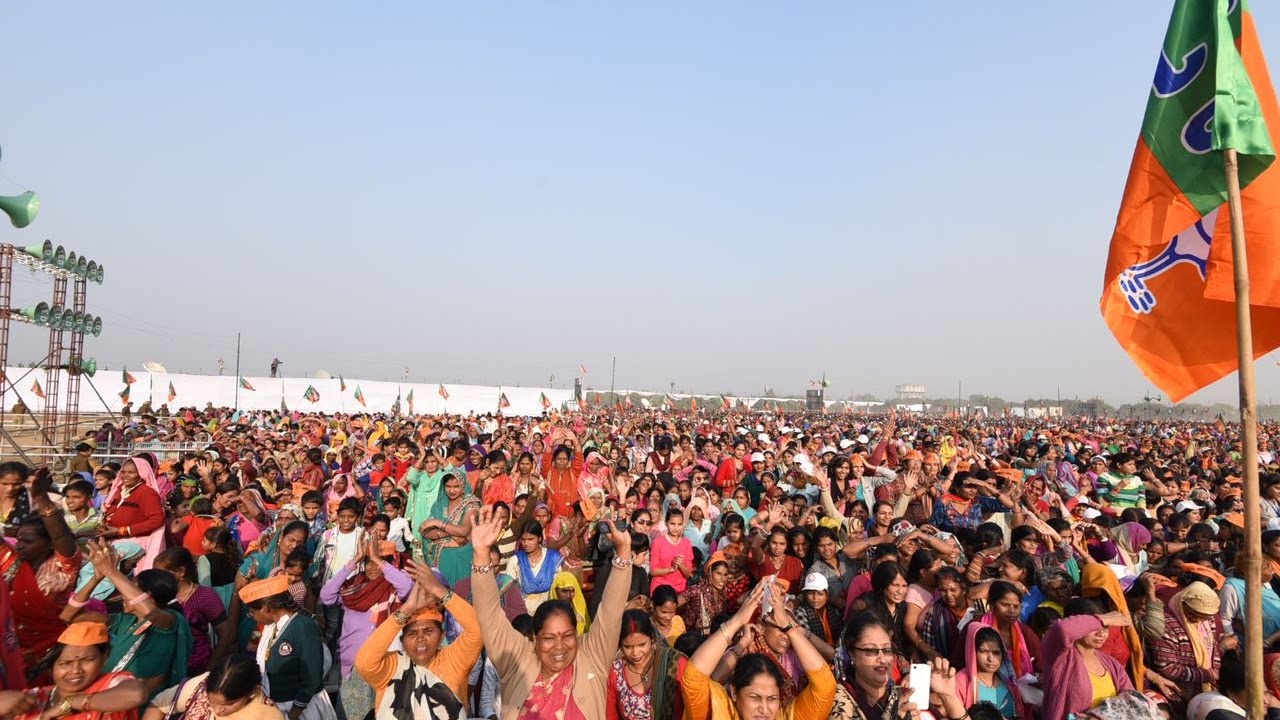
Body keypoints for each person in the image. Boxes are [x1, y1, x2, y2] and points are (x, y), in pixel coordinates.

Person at [470, 505, 632, 720]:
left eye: (567, 636)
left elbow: (611, 612)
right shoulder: (517, 662)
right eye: (548, 638)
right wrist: (481, 555)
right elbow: (489, 616)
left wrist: (623, 554)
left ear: (577, 635)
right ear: (535, 638)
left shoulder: (592, 659)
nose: (559, 646)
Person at [682, 578, 835, 720]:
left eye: (773, 698)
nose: (764, 709)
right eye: (755, 697)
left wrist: (790, 628)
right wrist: (738, 621)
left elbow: (825, 686)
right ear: (734, 692)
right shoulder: (721, 713)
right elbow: (695, 677)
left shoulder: (785, 716)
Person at [354, 561, 482, 720]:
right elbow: (364, 662)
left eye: (428, 631)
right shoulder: (392, 666)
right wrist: (407, 608)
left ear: (441, 636)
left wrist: (438, 590)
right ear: (402, 640)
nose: (420, 638)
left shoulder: (452, 661)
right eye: (412, 634)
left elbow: (477, 631)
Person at [72, 541, 193, 700]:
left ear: (147, 595)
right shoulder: (124, 620)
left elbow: (150, 612)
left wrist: (111, 571)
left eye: (131, 589)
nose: (124, 595)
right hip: (105, 699)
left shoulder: (170, 620)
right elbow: (72, 617)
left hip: (142, 707)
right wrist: (95, 578)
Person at [1, 465, 83, 684]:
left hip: (49, 652)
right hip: (10, 650)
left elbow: (60, 535)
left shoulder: (62, 566)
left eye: (28, 542)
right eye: (19, 540)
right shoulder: (10, 561)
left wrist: (40, 497)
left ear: (49, 545)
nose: (19, 546)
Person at [238, 576, 335, 720]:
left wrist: (292, 715)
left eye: (252, 613)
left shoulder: (303, 627)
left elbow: (312, 679)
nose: (252, 617)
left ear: (266, 609)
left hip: (302, 711)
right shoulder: (271, 628)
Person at [15, 622, 149, 720]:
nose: (76, 670)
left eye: (87, 660)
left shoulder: (111, 684)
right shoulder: (34, 698)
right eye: (65, 663)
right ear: (51, 667)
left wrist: (70, 703)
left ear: (105, 657)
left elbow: (136, 695)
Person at [1039, 605, 1135, 720]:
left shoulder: (1111, 663)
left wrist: (1098, 716)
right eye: (1093, 627)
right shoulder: (1060, 659)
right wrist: (1101, 619)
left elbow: (1130, 699)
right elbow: (1062, 629)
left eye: (1105, 627)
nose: (1101, 633)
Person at [152, 548, 230, 677]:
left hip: (196, 667)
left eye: (161, 574)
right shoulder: (158, 597)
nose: (157, 579)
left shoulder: (205, 596)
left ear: (180, 572)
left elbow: (225, 635)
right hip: (165, 669)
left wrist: (207, 671)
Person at [143, 654, 282, 720]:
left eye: (228, 704)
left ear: (251, 693)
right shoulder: (200, 685)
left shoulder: (267, 715)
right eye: (212, 702)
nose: (217, 710)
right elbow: (158, 705)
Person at [1151, 581, 1224, 704]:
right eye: (1193, 614)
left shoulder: (1208, 620)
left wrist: (1215, 672)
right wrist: (1207, 674)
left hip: (1205, 686)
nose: (1197, 620)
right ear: (1182, 604)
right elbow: (1167, 667)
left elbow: (1212, 649)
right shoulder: (1167, 625)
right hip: (1178, 689)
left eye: (1203, 617)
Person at [606, 610, 687, 720]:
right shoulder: (615, 672)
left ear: (652, 639)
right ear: (620, 644)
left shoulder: (673, 663)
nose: (635, 653)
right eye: (628, 647)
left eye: (642, 644)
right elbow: (611, 715)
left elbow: (694, 705)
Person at [98, 459, 167, 571]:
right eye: (123, 472)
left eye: (131, 472)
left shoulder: (147, 493)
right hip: (114, 542)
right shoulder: (119, 491)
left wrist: (122, 530)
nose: (125, 476)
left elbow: (157, 519)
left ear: (141, 475)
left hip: (134, 544)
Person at [953, 622, 1027, 720]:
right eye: (983, 651)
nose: (991, 659)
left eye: (996, 653)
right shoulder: (962, 681)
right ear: (972, 651)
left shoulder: (1008, 681)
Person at [419, 472, 479, 586]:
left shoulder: (471, 504)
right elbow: (425, 531)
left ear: (463, 485)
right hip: (438, 558)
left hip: (461, 558)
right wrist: (449, 533)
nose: (451, 491)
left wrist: (437, 523)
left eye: (456, 486)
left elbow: (464, 530)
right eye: (448, 486)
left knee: (458, 595)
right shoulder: (439, 504)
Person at [506, 520, 562, 614]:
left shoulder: (553, 558)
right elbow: (510, 591)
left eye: (531, 539)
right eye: (523, 539)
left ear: (539, 538)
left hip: (549, 611)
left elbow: (558, 586)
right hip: (523, 612)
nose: (526, 543)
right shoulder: (515, 561)